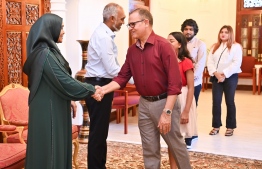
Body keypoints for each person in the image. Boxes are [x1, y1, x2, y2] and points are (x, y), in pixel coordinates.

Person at [101, 8, 192, 169]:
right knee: (149, 149)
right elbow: (122, 77)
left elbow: (175, 84)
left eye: (133, 24)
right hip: (144, 105)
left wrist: (167, 112)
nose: (130, 28)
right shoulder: (132, 51)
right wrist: (103, 90)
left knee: (176, 146)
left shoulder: (163, 46)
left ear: (146, 22)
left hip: (164, 103)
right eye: (129, 25)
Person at [23, 13, 101, 169]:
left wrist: (71, 99)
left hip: (53, 106)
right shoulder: (45, 54)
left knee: (53, 150)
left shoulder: (48, 52)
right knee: (50, 152)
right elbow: (64, 81)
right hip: (48, 111)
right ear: (51, 28)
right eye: (62, 27)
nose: (64, 31)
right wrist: (91, 89)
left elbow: (55, 82)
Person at [84, 3, 126, 169]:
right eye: (122, 19)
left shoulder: (105, 34)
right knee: (98, 133)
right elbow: (112, 68)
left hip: (102, 83)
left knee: (101, 133)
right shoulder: (103, 36)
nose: (123, 22)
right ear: (112, 18)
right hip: (98, 85)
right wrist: (132, 77)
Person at [207, 25, 242, 136]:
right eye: (221, 32)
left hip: (230, 77)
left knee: (230, 101)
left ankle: (230, 127)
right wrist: (216, 73)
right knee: (216, 102)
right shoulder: (215, 47)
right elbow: (210, 62)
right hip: (216, 76)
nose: (223, 34)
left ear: (230, 34)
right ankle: (216, 126)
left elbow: (236, 63)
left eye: (226, 32)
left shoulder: (236, 47)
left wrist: (224, 74)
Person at [167, 32, 197, 152]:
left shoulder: (186, 62)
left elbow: (191, 87)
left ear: (180, 44)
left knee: (182, 130)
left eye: (171, 41)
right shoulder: (166, 60)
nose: (168, 43)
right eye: (167, 41)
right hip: (169, 96)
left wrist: (186, 111)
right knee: (172, 132)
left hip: (183, 96)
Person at [181, 19, 206, 140]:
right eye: (186, 29)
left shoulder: (200, 44)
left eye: (191, 29)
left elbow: (200, 65)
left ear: (195, 31)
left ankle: (191, 134)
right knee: (182, 107)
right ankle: (183, 131)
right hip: (180, 82)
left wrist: (189, 77)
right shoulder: (180, 43)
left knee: (192, 107)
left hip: (194, 82)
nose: (188, 31)